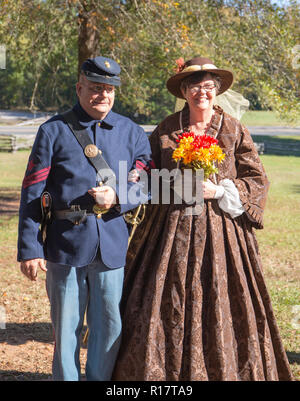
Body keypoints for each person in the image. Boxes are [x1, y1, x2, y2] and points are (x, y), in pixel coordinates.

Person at [112, 57, 293, 381]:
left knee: (222, 299)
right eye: (195, 86)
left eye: (209, 86)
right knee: (164, 302)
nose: (202, 92)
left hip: (223, 234)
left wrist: (221, 189)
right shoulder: (166, 130)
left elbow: (257, 180)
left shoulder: (234, 130)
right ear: (183, 90)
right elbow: (146, 175)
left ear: (218, 89)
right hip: (170, 234)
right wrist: (173, 184)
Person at [17, 56, 151, 381]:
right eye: (95, 88)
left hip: (112, 247)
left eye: (108, 89)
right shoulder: (53, 131)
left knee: (108, 331)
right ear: (80, 88)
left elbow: (148, 181)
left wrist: (119, 196)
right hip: (65, 247)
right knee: (66, 332)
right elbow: (33, 191)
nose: (102, 95)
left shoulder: (131, 133)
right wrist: (30, 248)